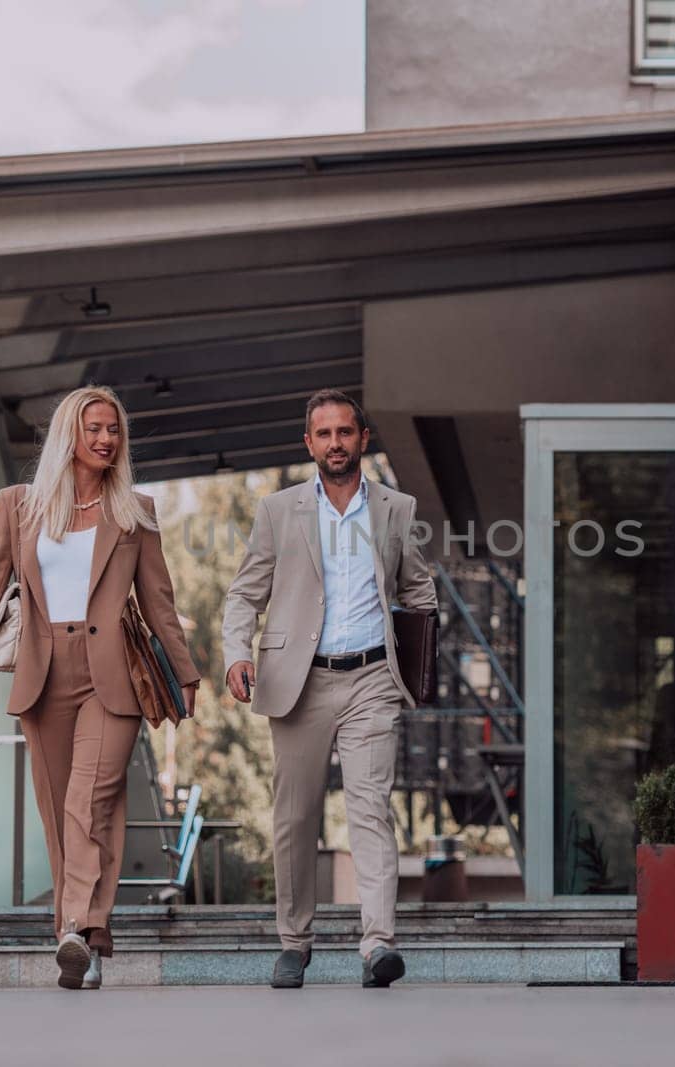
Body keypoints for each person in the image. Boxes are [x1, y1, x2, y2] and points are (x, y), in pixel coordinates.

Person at [0, 385, 199, 990]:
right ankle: (87, 938)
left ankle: (72, 923)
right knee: (63, 810)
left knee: (86, 798)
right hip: (43, 670)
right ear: (70, 433)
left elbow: (158, 601)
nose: (106, 439)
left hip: (113, 673)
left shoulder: (134, 512)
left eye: (113, 430)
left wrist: (184, 671)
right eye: (94, 429)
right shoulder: (19, 505)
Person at [222, 388, 437, 990]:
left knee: (371, 810)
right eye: (324, 434)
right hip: (300, 681)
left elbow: (418, 591)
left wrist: (414, 670)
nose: (336, 443)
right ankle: (294, 942)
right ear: (308, 443)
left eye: (346, 432)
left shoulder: (397, 509)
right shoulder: (278, 510)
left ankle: (378, 945)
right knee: (295, 816)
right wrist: (238, 652)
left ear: (363, 439)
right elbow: (244, 593)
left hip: (373, 679)